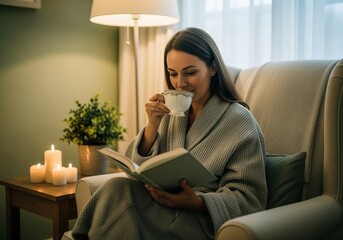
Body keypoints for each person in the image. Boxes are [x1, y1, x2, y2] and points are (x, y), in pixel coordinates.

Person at [71, 27, 268, 240]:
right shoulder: (173, 114)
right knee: (117, 187)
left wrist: (198, 202)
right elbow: (135, 171)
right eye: (173, 73)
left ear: (212, 68)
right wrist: (152, 126)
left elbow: (250, 198)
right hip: (163, 205)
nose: (180, 83)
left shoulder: (239, 121)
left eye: (190, 72)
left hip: (199, 219)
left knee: (121, 205)